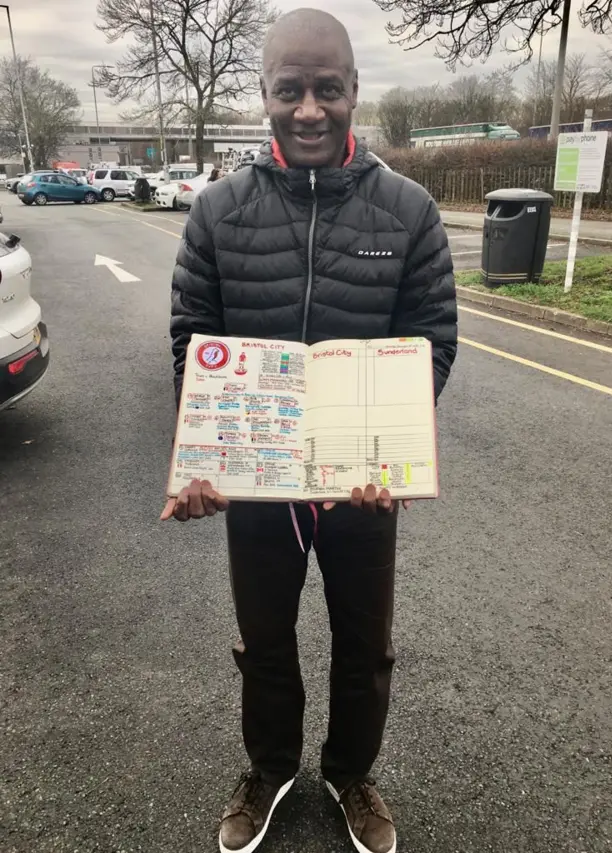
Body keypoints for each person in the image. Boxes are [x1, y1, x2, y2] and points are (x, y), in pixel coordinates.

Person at [163, 8, 457, 853]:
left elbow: (432, 338)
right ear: (264, 93)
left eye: (327, 88)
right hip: (262, 483)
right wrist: (210, 454)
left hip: (362, 481)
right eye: (290, 89)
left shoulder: (409, 211)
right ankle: (270, 765)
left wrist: (388, 447)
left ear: (354, 91)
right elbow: (193, 339)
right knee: (264, 638)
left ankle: (351, 771)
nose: (309, 108)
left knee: (366, 644)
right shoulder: (218, 211)